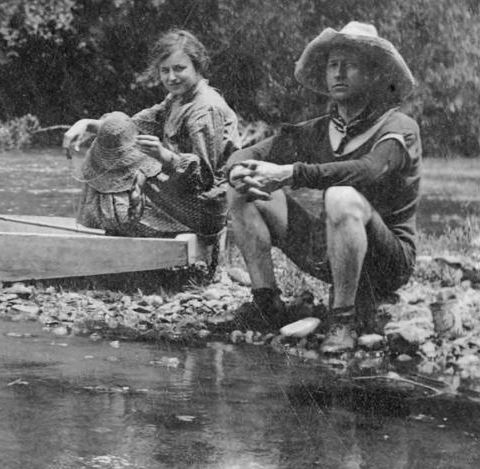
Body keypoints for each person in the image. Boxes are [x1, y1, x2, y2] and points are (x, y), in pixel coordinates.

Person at [223, 21, 421, 354]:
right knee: (242, 185)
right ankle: (266, 304)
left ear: (373, 75)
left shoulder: (399, 127)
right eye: (333, 65)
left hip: (387, 262)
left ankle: (342, 319)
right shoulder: (315, 130)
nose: (339, 73)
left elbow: (368, 172)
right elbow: (249, 153)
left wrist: (291, 173)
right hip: (331, 251)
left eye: (351, 65)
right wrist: (236, 172)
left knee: (341, 196)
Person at [63, 29, 241, 260]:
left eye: (179, 69)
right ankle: (119, 225)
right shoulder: (178, 98)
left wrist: (164, 156)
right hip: (183, 189)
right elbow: (131, 126)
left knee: (117, 190)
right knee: (114, 126)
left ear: (198, 67)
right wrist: (88, 124)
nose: (171, 78)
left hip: (204, 208)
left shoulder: (205, 109)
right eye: (164, 70)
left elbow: (205, 179)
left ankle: (120, 236)